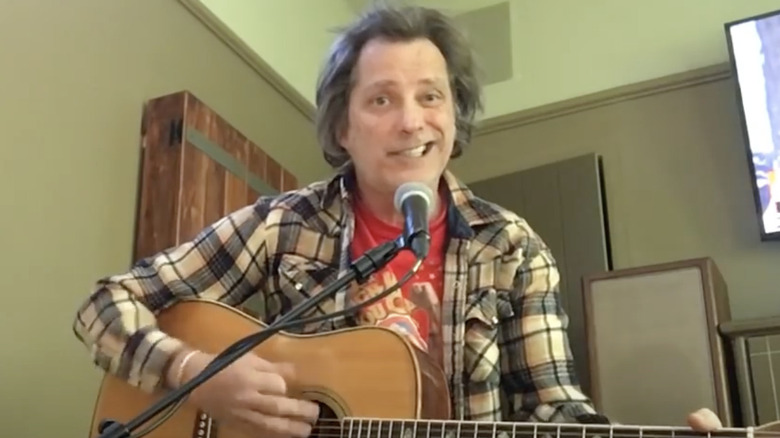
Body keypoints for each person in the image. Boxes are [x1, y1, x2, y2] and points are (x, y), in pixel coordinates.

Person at [72, 3, 724, 437]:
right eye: (382, 99)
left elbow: (556, 411)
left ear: (454, 116)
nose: (412, 122)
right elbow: (104, 306)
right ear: (342, 126)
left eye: (430, 97)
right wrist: (194, 375)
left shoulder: (513, 248)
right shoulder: (281, 227)